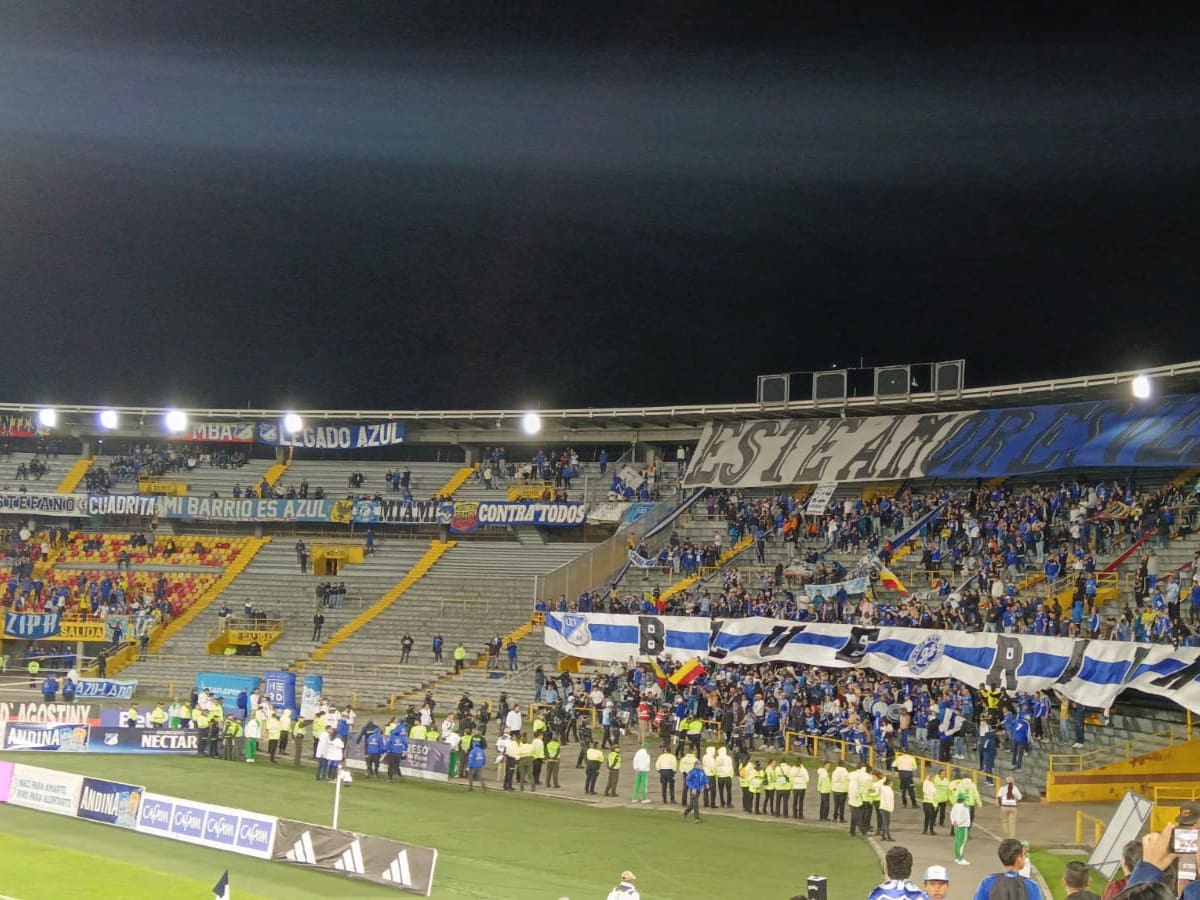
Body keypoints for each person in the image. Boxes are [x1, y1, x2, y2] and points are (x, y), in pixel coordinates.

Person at [972, 839, 1045, 899]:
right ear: (1018, 859)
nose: (1025, 857)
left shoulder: (987, 882)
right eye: (1023, 855)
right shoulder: (1031, 886)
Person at [950, 793, 972, 866]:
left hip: (956, 826)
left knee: (957, 842)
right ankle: (961, 859)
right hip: (962, 827)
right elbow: (965, 817)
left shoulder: (955, 805)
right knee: (961, 843)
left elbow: (952, 814)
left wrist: (953, 822)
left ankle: (956, 857)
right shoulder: (965, 807)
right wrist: (959, 823)